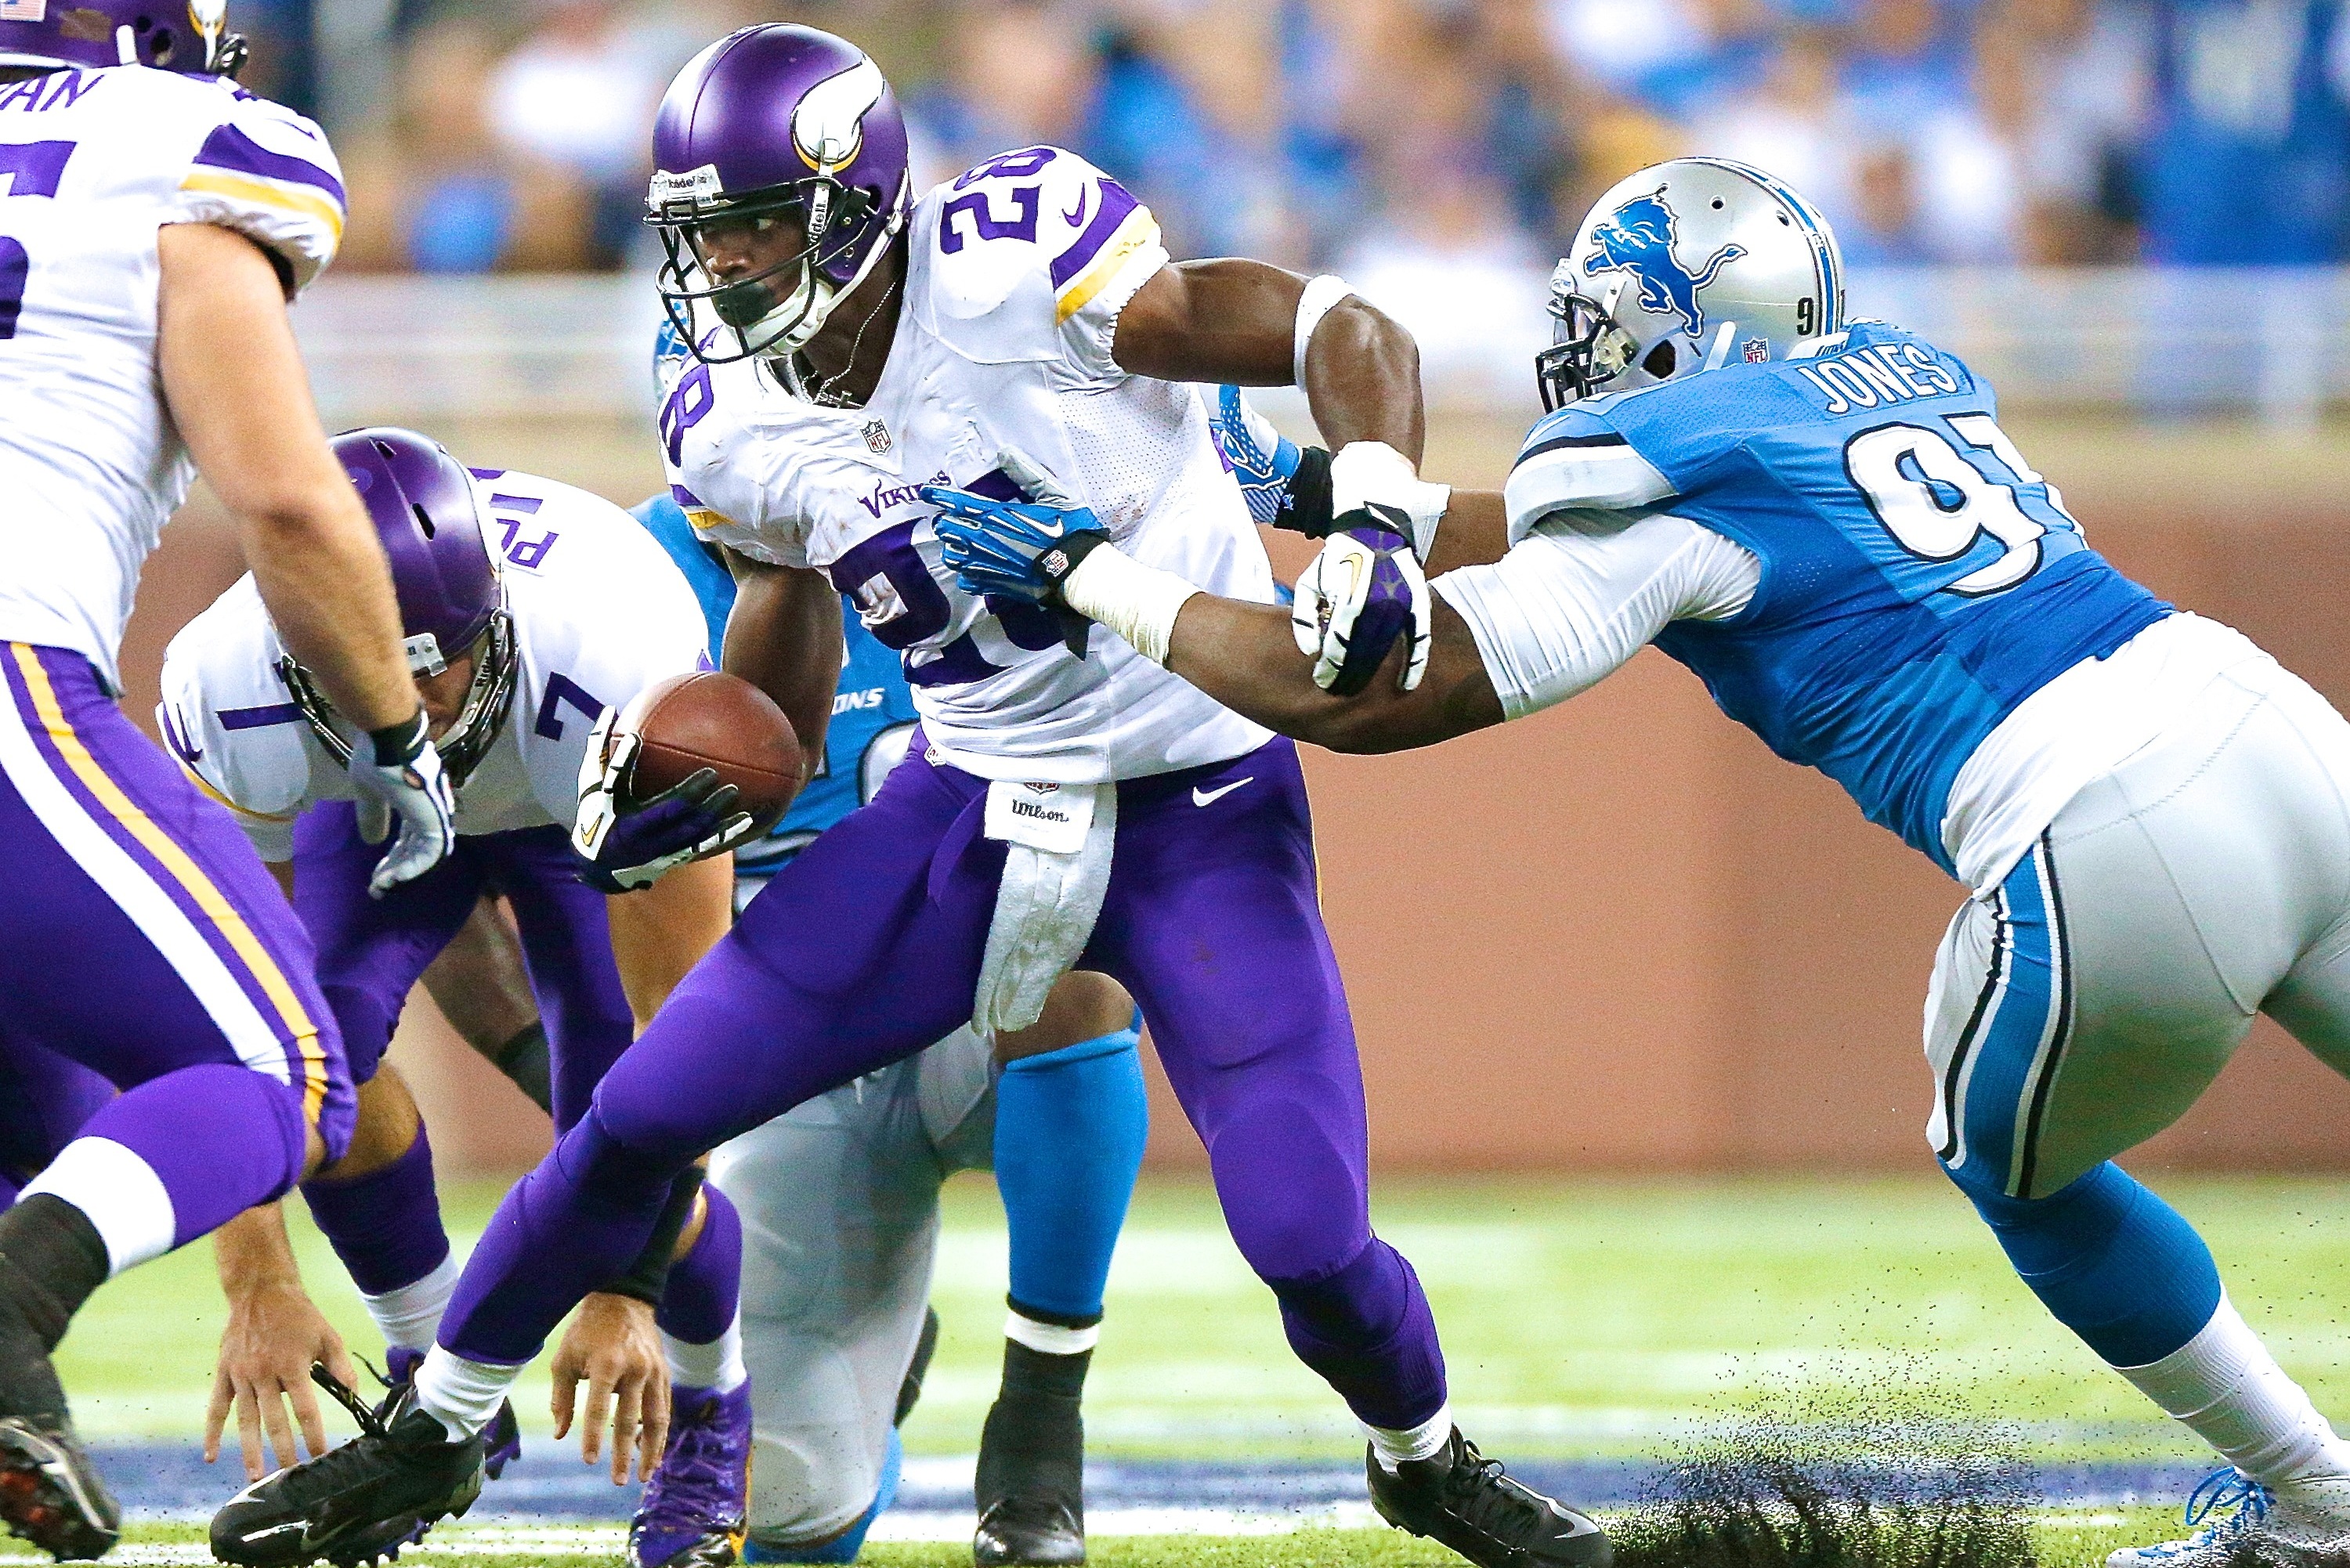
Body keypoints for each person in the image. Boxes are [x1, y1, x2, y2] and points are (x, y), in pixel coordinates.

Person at [211, 23, 1612, 1568]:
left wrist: (1385, 523)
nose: (727, 267)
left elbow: (1341, 325)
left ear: (855, 203)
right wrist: (724, 759)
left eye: (755, 223)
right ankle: (432, 1435)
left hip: (1195, 792)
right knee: (644, 1110)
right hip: (973, 791)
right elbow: (788, 661)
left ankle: (1419, 1454)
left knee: (1306, 1234)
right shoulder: (732, 414)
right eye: (700, 234)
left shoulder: (1018, 262)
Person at [932, 154, 2350, 1568]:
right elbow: (1647, 540)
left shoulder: (1662, 475)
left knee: (2012, 1171)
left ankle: (2309, 1497)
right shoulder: (1894, 376)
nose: (1584, 352)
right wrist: (1317, 483)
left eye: (1613, 319)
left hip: (2098, 821)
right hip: (2267, 724)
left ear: (1698, 324)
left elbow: (1363, 694)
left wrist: (1091, 574)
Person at [0, 2, 460, 1555]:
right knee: (290, 1066)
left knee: (35, 1087)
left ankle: (19, 1394)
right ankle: (6, 1317)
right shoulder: (172, 146)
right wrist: (398, 735)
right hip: (10, 668)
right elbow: (287, 499)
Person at [168, 428, 750, 1568]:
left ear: (493, 616)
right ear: (296, 642)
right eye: (372, 661)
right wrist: (258, 1277)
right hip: (372, 807)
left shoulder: (617, 647)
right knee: (313, 1063)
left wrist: (623, 1288)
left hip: (567, 800)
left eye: (440, 658)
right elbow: (222, 1007)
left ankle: (711, 1411)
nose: (419, 698)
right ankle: (432, 1394)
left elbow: (686, 1029)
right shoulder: (223, 687)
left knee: (621, 1119)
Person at [635, 354, 1151, 1565]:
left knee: (1071, 918)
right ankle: (875, 1334)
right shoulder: (633, 584)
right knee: (796, 1506)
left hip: (971, 993)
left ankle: (1040, 1418)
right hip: (786, 1051)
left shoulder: (978, 523)